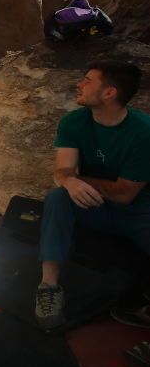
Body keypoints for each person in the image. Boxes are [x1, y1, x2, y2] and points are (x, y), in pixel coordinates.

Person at [35, 60, 150, 330]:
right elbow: (63, 169)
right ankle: (48, 287)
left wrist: (76, 179)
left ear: (109, 93)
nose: (79, 84)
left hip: (138, 212)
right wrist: (68, 181)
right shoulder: (74, 122)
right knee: (58, 198)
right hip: (95, 207)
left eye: (88, 80)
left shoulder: (144, 133)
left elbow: (125, 194)